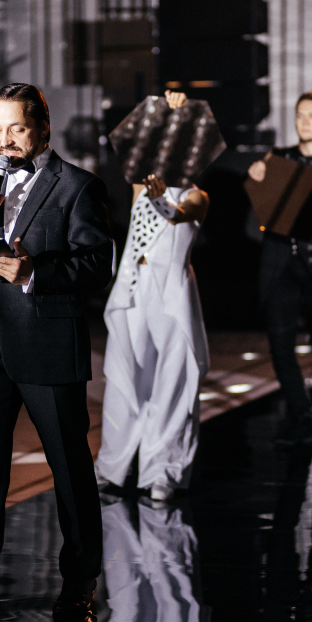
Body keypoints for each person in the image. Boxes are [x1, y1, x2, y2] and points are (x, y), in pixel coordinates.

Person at [0, 83, 113, 622]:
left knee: (70, 473)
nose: (5, 140)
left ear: (42, 127)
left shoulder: (78, 186)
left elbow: (96, 265)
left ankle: (79, 585)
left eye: (15, 128)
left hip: (47, 344)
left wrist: (35, 272)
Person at [95, 91, 210, 502]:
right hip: (134, 287)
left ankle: (163, 471)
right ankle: (112, 466)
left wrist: (163, 199)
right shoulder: (138, 187)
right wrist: (165, 109)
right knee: (125, 374)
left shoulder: (197, 195)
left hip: (172, 293)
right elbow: (131, 138)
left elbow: (178, 214)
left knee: (171, 380)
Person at [247, 92, 312, 445]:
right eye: (299, 115)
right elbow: (263, 202)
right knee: (280, 343)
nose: (305, 122)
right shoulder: (278, 157)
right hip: (280, 258)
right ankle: (299, 413)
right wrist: (258, 175)